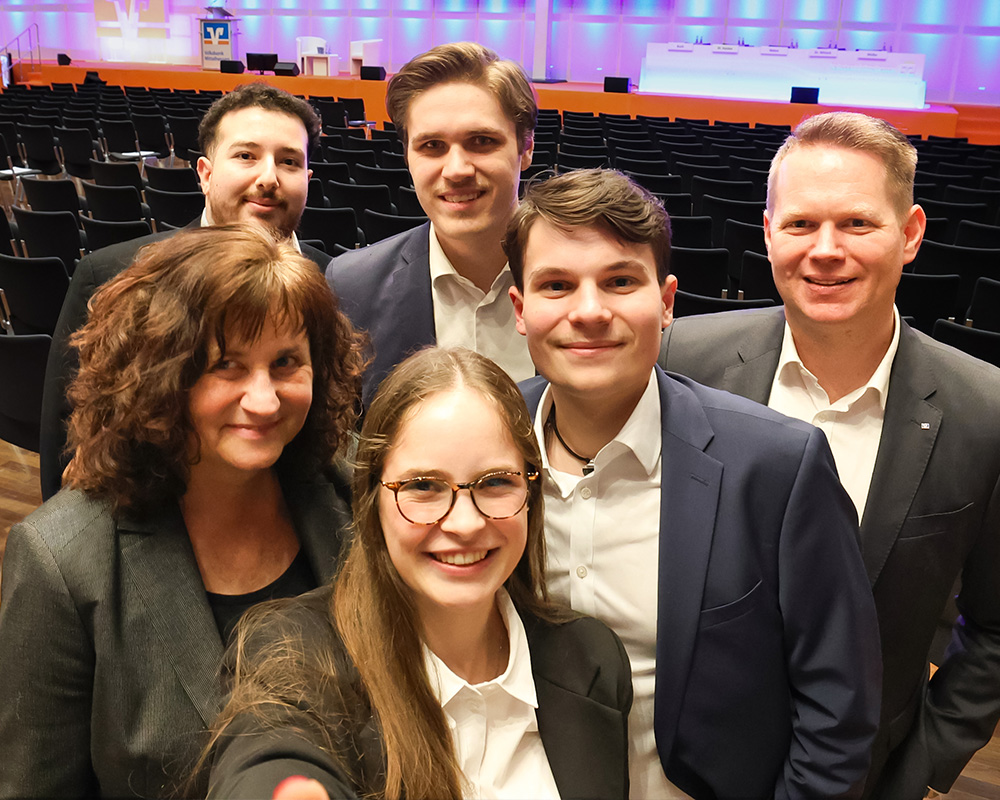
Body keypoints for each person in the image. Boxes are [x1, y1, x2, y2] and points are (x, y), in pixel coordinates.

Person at [504, 168, 882, 798]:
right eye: (557, 285)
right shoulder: (486, 441)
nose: (589, 312)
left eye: (620, 281)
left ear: (667, 301)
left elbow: (837, 708)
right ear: (521, 309)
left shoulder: (778, 467)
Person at [659, 111, 1000, 798]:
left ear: (911, 234)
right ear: (768, 233)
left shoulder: (985, 409)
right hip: (677, 766)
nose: (825, 250)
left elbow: (994, 628)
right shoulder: (680, 358)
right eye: (800, 224)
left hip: (870, 777)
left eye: (856, 223)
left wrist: (925, 762)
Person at [0, 225, 365, 798]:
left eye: (286, 362)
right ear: (159, 376)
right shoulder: (63, 562)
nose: (265, 399)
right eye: (227, 365)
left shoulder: (357, 493)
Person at [201, 347, 633, 800]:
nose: (465, 523)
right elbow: (265, 759)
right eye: (423, 486)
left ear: (531, 494)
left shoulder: (590, 659)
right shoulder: (296, 654)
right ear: (372, 501)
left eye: (495, 482)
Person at [39, 82, 327, 500]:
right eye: (246, 156)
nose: (269, 178)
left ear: (307, 179)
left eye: (289, 162)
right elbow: (66, 437)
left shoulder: (334, 278)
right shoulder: (113, 274)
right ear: (206, 174)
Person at [326, 42, 537, 408]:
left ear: (526, 147)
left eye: (481, 141)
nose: (456, 170)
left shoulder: (586, 283)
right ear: (407, 156)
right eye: (432, 146)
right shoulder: (351, 286)